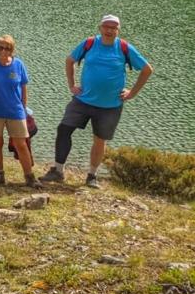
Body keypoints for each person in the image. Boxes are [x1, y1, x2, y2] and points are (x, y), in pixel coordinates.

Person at [41, 15, 153, 189]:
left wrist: (132, 92)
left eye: (113, 28)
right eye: (106, 27)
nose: (109, 30)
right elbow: (70, 60)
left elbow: (147, 69)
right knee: (64, 129)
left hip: (110, 106)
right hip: (83, 100)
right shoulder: (90, 43)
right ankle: (58, 170)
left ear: (118, 30)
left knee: (100, 140)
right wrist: (71, 85)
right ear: (100, 28)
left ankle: (92, 175)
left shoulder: (124, 48)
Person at [0, 35, 42, 188]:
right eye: (0, 47)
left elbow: (24, 88)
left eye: (7, 48)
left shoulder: (19, 65)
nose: (3, 51)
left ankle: (29, 176)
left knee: (21, 143)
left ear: (12, 50)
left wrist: (24, 110)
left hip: (16, 112)